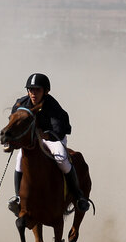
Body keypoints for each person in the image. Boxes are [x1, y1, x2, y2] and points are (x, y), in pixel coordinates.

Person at [6, 73, 89, 216]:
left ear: (46, 91)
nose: (33, 93)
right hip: (33, 141)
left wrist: (45, 135)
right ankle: (18, 198)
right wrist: (11, 139)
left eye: (37, 90)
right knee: (19, 159)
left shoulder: (52, 105)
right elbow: (14, 124)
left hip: (53, 138)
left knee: (62, 159)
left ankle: (78, 195)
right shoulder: (21, 103)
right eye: (31, 90)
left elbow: (59, 129)